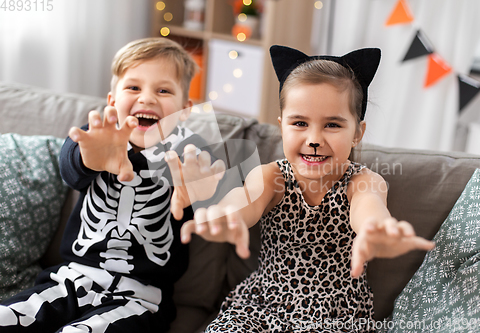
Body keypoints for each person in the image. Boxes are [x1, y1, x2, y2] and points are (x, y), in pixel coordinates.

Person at [180, 45, 435, 332]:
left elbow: (369, 209)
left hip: (335, 317)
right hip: (262, 306)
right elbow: (246, 202)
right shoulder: (270, 176)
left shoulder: (362, 180)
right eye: (300, 123)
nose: (314, 138)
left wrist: (377, 229)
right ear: (282, 127)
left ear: (357, 133)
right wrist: (224, 214)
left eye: (332, 125)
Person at [0, 37, 224, 332]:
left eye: (164, 90)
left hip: (141, 299)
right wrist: (89, 157)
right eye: (133, 87)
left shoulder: (189, 153)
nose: (147, 98)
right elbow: (71, 168)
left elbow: (214, 198)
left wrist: (204, 192)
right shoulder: (97, 139)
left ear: (184, 109)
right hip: (70, 280)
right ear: (112, 101)